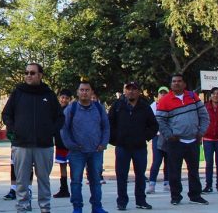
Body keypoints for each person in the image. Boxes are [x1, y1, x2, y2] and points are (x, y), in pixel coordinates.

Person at [2, 63, 64, 213]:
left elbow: (60, 117)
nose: (28, 75)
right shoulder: (18, 92)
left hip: (44, 145)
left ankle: (45, 208)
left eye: (32, 73)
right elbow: (6, 114)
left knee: (44, 180)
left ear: (40, 75)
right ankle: (22, 208)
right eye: (26, 73)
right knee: (22, 181)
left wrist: (50, 131)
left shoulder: (48, 94)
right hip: (21, 145)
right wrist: (13, 129)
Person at [155, 73, 210, 206]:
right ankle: (175, 196)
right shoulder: (165, 100)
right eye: (174, 81)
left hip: (193, 141)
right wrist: (169, 135)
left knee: (194, 171)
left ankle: (195, 195)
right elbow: (160, 121)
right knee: (174, 171)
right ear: (171, 84)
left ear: (184, 84)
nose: (176, 83)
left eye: (179, 81)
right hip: (175, 142)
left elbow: (204, 116)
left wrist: (201, 132)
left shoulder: (193, 97)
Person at [61, 81, 110, 213]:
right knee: (76, 181)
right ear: (77, 93)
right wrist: (71, 145)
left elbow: (106, 127)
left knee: (95, 181)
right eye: (81, 90)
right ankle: (77, 207)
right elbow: (64, 129)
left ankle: (97, 207)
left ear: (92, 92)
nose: (84, 92)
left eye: (87, 90)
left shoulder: (99, 108)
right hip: (77, 152)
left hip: (96, 151)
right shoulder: (71, 109)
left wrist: (103, 144)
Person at [108, 81, 157, 210]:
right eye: (128, 89)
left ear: (139, 91)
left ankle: (141, 201)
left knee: (140, 175)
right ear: (124, 91)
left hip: (139, 147)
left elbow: (153, 126)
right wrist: (115, 139)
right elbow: (109, 124)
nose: (131, 91)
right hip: (122, 147)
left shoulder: (145, 107)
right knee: (122, 176)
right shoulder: (117, 106)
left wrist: (144, 136)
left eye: (134, 89)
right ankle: (122, 201)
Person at [146, 86, 170, 194]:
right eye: (161, 93)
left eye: (165, 93)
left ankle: (167, 183)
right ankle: (152, 184)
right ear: (158, 95)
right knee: (157, 160)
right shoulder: (153, 106)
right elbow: (149, 121)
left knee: (168, 161)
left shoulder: (172, 106)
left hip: (169, 136)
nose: (163, 95)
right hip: (157, 136)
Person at [53, 89, 73, 199]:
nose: (63, 99)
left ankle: (75, 188)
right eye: (62, 97)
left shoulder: (71, 111)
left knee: (73, 166)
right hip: (60, 143)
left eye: (66, 98)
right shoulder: (56, 110)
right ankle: (64, 189)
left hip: (69, 144)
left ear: (70, 99)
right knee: (62, 165)